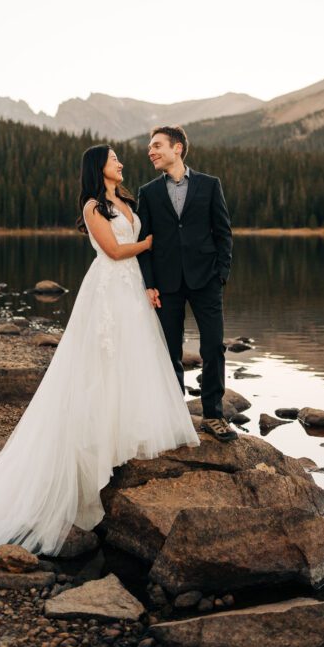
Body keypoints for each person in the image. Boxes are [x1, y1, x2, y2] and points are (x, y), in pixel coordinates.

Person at [0, 144, 199, 562]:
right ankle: (93, 452)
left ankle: (127, 437)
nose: (120, 162)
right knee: (103, 364)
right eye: (114, 158)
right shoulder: (92, 207)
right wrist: (151, 242)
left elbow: (131, 250)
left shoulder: (126, 199)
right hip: (107, 291)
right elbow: (115, 251)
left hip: (131, 290)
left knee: (134, 361)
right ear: (98, 167)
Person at [136, 125, 236, 442]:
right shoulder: (148, 192)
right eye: (150, 147)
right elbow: (145, 242)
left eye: (156, 145)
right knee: (169, 351)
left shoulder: (209, 185)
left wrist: (221, 274)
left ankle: (213, 415)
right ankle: (174, 416)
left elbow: (223, 233)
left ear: (177, 148)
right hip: (166, 283)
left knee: (213, 346)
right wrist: (149, 283)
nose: (150, 151)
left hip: (206, 279)